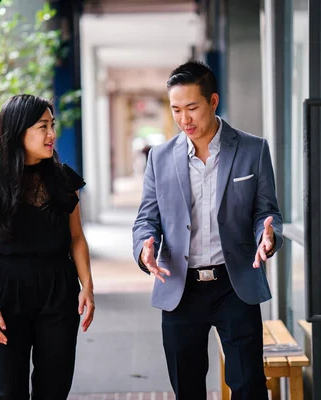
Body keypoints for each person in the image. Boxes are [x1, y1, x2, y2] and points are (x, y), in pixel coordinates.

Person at [132, 61, 282, 399]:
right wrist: (144, 246)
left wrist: (267, 238)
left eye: (192, 108)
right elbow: (146, 218)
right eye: (176, 110)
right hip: (180, 287)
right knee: (187, 388)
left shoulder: (252, 149)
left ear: (213, 102)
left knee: (249, 387)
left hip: (234, 285)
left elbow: (267, 212)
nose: (184, 119)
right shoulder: (160, 157)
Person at [0, 94, 94, 399]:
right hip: (8, 292)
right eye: (42, 126)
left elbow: (76, 238)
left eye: (52, 125)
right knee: (7, 390)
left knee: (54, 386)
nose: (52, 134)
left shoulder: (64, 180)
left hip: (59, 289)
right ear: (17, 131)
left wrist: (87, 286)